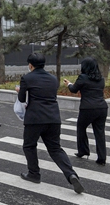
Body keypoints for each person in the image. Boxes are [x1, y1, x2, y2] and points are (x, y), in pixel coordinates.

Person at [16, 53, 84, 194]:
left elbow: (22, 99)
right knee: (55, 149)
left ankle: (34, 174)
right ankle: (71, 174)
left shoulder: (27, 78)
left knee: (29, 146)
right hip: (53, 118)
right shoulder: (54, 79)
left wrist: (19, 91)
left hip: (35, 119)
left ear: (30, 65)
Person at [63, 57, 108, 166]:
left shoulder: (83, 77)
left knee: (81, 128)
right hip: (102, 108)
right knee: (100, 133)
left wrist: (69, 84)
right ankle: (102, 158)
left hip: (88, 109)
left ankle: (83, 150)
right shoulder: (101, 79)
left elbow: (74, 90)